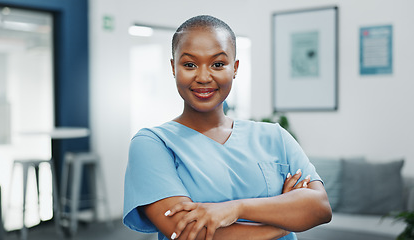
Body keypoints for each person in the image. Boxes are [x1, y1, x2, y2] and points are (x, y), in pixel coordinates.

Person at [123, 15, 332, 240]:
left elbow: (320, 208)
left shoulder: (275, 137)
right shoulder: (153, 143)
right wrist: (284, 223)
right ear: (174, 67)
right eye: (190, 64)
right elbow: (188, 233)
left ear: (235, 68)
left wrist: (235, 209)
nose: (203, 77)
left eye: (218, 64)